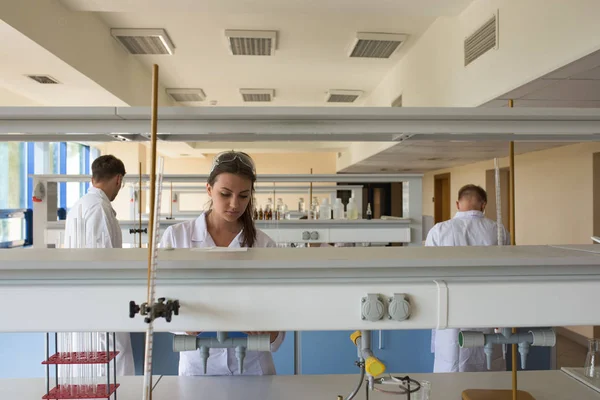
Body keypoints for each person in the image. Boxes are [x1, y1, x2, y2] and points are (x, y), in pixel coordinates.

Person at [159, 150, 285, 376]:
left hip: (252, 368)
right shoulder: (176, 237)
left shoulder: (264, 245)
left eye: (244, 196)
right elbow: (159, 303)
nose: (234, 204)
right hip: (198, 369)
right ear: (209, 189)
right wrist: (184, 325)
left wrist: (271, 332)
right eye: (225, 194)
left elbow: (278, 323)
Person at [63, 154, 135, 376]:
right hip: (101, 303)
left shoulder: (81, 205)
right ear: (118, 179)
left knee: (98, 365)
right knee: (111, 362)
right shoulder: (98, 208)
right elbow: (103, 261)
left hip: (88, 301)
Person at [426, 184, 509, 373]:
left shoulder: (439, 231)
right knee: (486, 369)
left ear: (457, 204)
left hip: (449, 309)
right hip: (488, 310)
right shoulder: (498, 231)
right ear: (483, 205)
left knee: (451, 365)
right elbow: (506, 272)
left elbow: (429, 274)